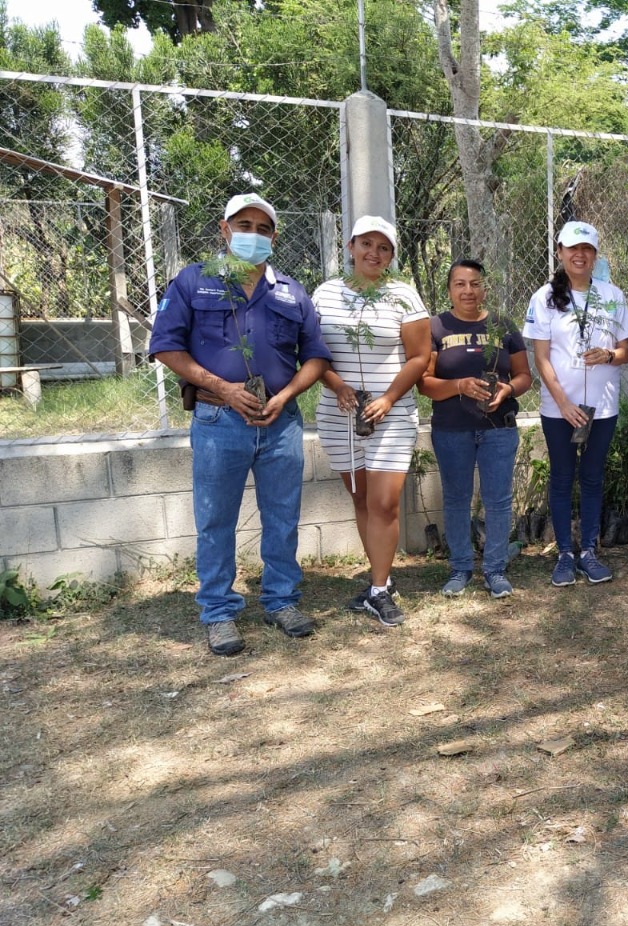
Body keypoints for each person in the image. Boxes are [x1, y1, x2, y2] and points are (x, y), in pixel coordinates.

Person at [150, 193, 331, 656]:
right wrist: (224, 388)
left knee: (283, 516)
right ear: (224, 229)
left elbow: (314, 357)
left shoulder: (291, 292)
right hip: (218, 419)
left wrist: (288, 395)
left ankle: (282, 600)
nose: (253, 234)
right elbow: (167, 348)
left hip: (280, 422)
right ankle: (219, 611)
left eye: (264, 227)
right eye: (243, 224)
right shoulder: (194, 282)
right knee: (215, 520)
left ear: (274, 236)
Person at [312, 215, 432, 626]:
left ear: (392, 255)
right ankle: (379, 578)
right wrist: (337, 385)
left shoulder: (403, 295)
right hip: (339, 413)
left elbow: (419, 357)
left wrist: (388, 398)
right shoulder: (325, 294)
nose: (374, 253)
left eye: (383, 248)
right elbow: (312, 353)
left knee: (384, 502)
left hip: (391, 413)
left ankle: (379, 590)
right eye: (366, 244)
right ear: (350, 247)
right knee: (361, 499)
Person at [524, 221, 628, 587]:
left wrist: (609, 354)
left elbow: (626, 352)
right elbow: (541, 359)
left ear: (596, 255)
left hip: (602, 407)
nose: (579, 254)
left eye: (586, 249)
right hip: (560, 409)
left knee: (592, 478)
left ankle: (588, 550)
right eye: (572, 248)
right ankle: (565, 555)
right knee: (561, 478)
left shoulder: (613, 295)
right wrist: (564, 403)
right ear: (560, 252)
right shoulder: (544, 297)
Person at [418, 259, 532, 598]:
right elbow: (424, 383)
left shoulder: (504, 326)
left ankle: (495, 570)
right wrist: (459, 386)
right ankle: (460, 569)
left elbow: (525, 376)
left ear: (484, 287)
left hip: (499, 427)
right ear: (450, 289)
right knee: (456, 498)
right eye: (460, 284)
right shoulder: (435, 327)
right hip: (452, 428)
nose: (468, 290)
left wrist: (508, 390)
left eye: (474, 283)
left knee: (498, 500)